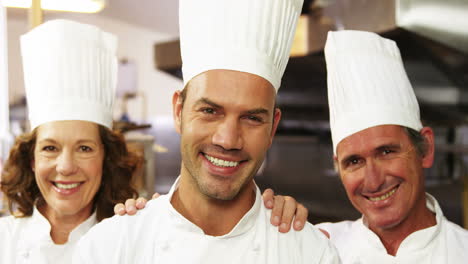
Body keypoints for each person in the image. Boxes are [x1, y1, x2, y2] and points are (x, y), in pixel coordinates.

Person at [74, 0, 340, 263]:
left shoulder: (309, 253)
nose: (227, 140)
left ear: (273, 128)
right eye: (210, 111)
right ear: (178, 111)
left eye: (252, 118)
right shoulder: (109, 248)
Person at [314, 30, 468, 262]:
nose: (374, 180)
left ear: (425, 148)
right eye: (354, 161)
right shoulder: (317, 248)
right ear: (339, 168)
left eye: (386, 152)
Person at [0, 19, 140, 263]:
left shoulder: (128, 242)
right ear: (32, 159)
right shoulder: (4, 241)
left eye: (84, 148)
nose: (65, 166)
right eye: (50, 148)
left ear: (105, 158)